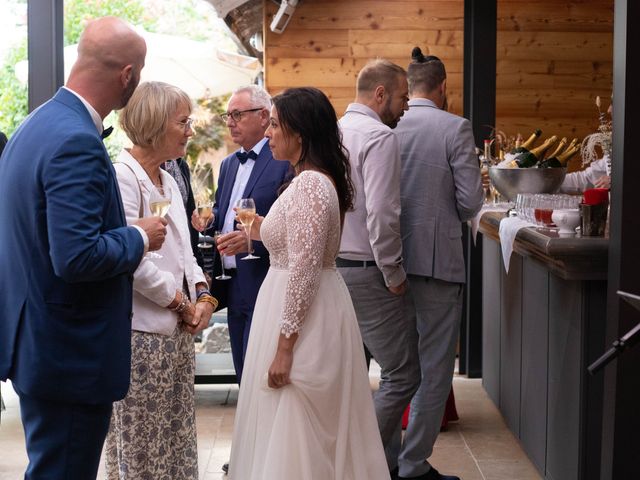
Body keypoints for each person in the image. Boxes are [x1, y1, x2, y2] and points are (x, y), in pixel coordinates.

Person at [0, 17, 167, 479]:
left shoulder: (34, 125)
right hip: (68, 353)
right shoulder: (76, 139)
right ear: (127, 75)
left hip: (38, 342)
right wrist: (138, 236)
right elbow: (76, 257)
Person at [228, 86, 390, 480]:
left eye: (276, 125)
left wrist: (285, 347)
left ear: (299, 133)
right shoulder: (308, 181)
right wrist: (261, 227)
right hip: (295, 307)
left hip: (304, 318)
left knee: (299, 424)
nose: (269, 133)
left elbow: (304, 266)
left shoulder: (311, 185)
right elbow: (297, 242)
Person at [104, 81, 216, 479]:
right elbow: (131, 260)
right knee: (140, 448)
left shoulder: (168, 179)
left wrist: (203, 296)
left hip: (176, 336)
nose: (190, 130)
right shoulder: (121, 177)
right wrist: (181, 303)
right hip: (141, 336)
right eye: (183, 122)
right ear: (154, 124)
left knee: (174, 439)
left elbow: (184, 250)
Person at [392, 48, 483, 480]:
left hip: (389, 263)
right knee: (435, 368)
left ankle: (386, 456)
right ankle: (412, 463)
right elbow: (470, 203)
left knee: (397, 370)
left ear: (408, 88)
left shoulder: (387, 127)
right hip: (439, 263)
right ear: (443, 88)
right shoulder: (455, 127)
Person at [337, 59, 421, 474]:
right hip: (371, 271)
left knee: (356, 376)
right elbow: (384, 215)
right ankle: (356, 458)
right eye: (404, 97)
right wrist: (394, 274)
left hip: (333, 271)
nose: (407, 106)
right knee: (404, 375)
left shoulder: (331, 132)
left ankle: (381, 470)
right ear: (381, 94)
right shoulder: (379, 136)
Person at [193, 85, 290, 383]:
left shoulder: (284, 162)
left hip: (263, 279)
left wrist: (253, 243)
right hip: (230, 283)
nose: (230, 122)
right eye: (228, 115)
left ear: (264, 116)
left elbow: (288, 225)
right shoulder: (228, 164)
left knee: (257, 373)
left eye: (237, 114)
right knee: (241, 373)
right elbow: (224, 212)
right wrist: (208, 221)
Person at [162, 157, 205, 269]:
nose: (188, 138)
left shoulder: (181, 165)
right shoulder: (147, 167)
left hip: (187, 258)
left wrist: (200, 266)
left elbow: (190, 216)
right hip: (163, 258)